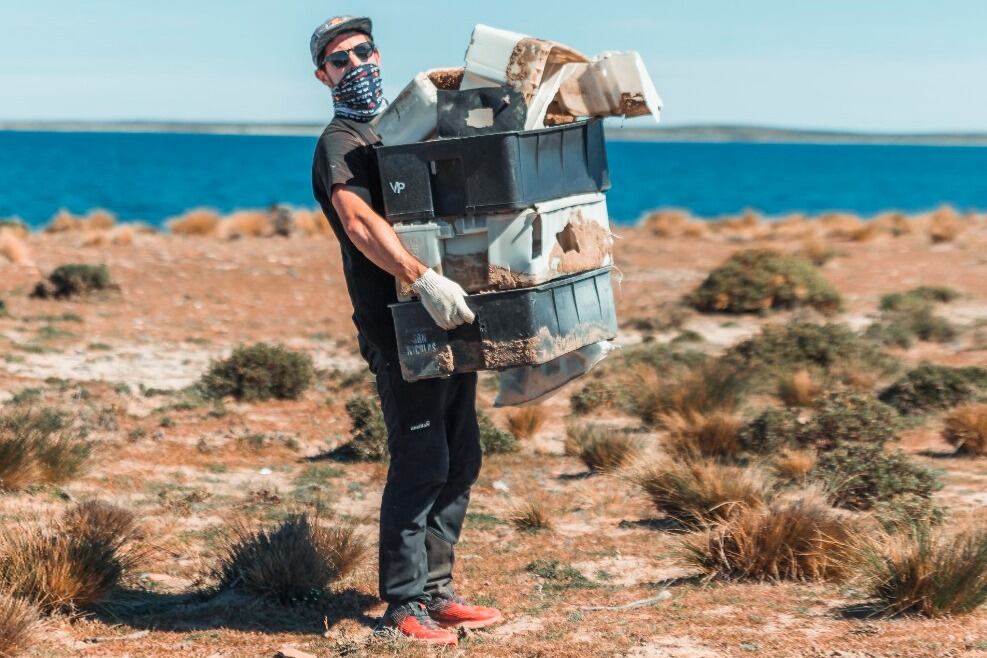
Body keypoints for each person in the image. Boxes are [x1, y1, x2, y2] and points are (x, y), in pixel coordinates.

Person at [308, 16, 503, 647]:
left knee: (461, 455)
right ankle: (403, 603)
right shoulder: (341, 143)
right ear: (323, 76)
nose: (355, 65)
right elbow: (359, 223)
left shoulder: (397, 130)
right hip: (400, 325)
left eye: (363, 52)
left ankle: (437, 590)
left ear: (379, 55)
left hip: (448, 314)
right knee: (421, 460)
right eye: (340, 60)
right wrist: (422, 280)